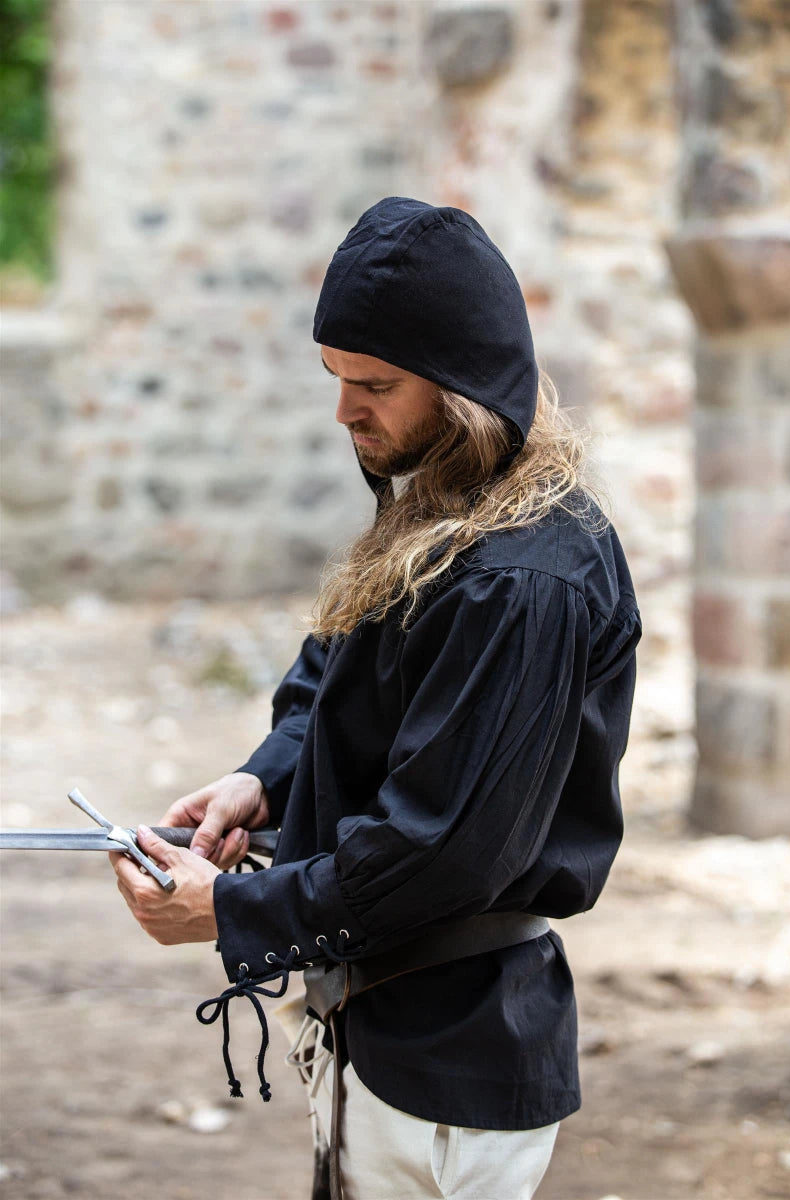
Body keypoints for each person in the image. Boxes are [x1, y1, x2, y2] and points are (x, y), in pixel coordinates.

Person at [111, 196, 642, 1200]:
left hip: (450, 1061)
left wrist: (228, 910)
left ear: (462, 387)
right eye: (337, 380)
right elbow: (332, 690)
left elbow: (440, 851)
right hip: (384, 1027)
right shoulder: (436, 513)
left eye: (376, 385)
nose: (346, 412)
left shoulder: (519, 579)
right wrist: (258, 784)